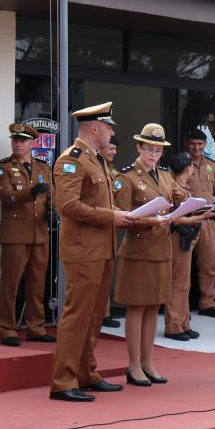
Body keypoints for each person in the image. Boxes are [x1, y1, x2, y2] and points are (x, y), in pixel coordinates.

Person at [50, 102, 135, 402]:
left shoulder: (96, 160)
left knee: (94, 315)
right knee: (78, 315)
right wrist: (111, 216)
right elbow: (68, 206)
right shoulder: (71, 160)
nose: (111, 133)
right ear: (95, 128)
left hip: (102, 249)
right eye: (108, 127)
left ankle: (86, 372)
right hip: (84, 251)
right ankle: (63, 381)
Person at [112, 124, 177, 386]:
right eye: (149, 149)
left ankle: (148, 362)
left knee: (153, 306)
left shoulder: (165, 175)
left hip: (161, 248)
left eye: (158, 150)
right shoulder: (126, 177)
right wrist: (150, 221)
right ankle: (134, 365)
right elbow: (122, 217)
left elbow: (174, 202)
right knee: (137, 307)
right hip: (138, 250)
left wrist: (191, 210)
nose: (153, 154)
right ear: (138, 147)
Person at [0, 123, 54, 346]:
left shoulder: (43, 167)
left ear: (32, 143)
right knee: (10, 284)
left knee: (37, 284)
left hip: (40, 233)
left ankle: (36, 327)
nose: (18, 144)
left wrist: (52, 210)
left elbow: (51, 195)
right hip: (15, 234)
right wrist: (31, 193)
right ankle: (7, 329)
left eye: (22, 140)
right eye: (15, 140)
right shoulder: (4, 167)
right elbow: (7, 197)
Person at [165, 153, 215, 341]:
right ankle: (174, 325)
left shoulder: (182, 186)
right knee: (177, 282)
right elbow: (177, 218)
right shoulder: (176, 189)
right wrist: (202, 216)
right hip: (179, 236)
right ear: (188, 168)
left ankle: (183, 323)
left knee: (184, 282)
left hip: (187, 236)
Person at [185, 128, 215, 318]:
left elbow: (214, 190)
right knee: (182, 267)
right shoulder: (182, 164)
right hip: (188, 220)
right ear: (187, 144)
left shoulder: (211, 166)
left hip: (207, 220)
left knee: (209, 265)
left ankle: (207, 304)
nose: (196, 147)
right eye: (193, 144)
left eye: (200, 144)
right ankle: (180, 306)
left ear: (205, 145)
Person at [99, 135, 121, 329]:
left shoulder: (115, 173)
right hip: (96, 226)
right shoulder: (94, 168)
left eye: (115, 148)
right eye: (110, 148)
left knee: (107, 273)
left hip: (110, 228)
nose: (113, 152)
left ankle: (104, 312)